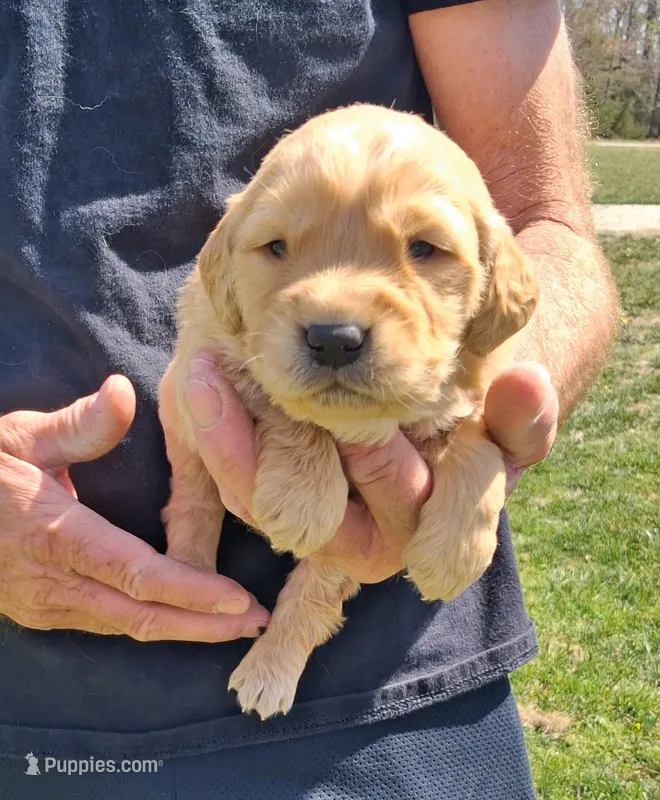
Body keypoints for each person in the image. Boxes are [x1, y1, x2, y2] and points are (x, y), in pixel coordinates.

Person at [0, 0, 618, 797]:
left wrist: (459, 431)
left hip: (386, 687)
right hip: (31, 687)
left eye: (422, 248)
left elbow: (545, 222)